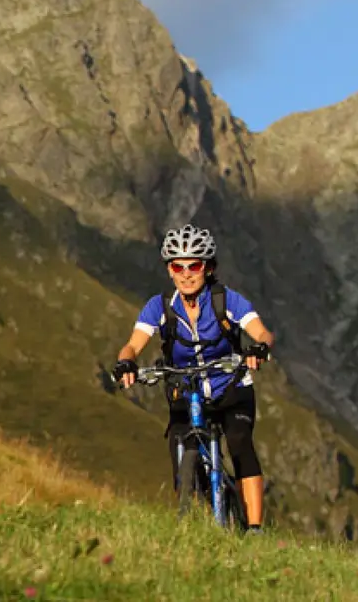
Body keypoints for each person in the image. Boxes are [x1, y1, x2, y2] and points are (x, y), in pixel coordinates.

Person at [113, 224, 274, 532]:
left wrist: (260, 347)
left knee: (240, 443)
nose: (186, 274)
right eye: (178, 266)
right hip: (185, 393)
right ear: (170, 271)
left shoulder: (227, 301)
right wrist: (126, 364)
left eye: (194, 265)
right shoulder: (159, 307)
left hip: (230, 387)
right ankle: (196, 520)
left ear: (208, 268)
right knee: (178, 449)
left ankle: (254, 529)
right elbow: (133, 344)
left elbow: (261, 330)